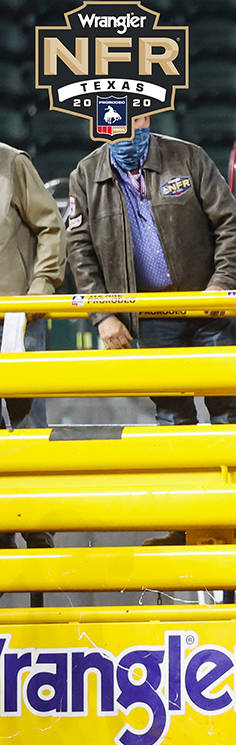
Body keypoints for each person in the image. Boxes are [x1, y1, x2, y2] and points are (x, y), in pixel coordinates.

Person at [67, 116, 236, 431]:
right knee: (171, 414)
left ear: (146, 117)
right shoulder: (84, 175)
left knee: (229, 408)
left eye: (131, 119)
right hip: (149, 313)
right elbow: (79, 250)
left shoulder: (189, 156)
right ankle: (184, 480)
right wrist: (102, 314)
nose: (122, 130)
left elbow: (230, 224)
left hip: (211, 306)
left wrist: (223, 283)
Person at [0, 143, 65, 553]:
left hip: (17, 315)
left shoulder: (12, 162)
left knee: (28, 425)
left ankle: (37, 522)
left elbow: (50, 225)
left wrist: (40, 289)